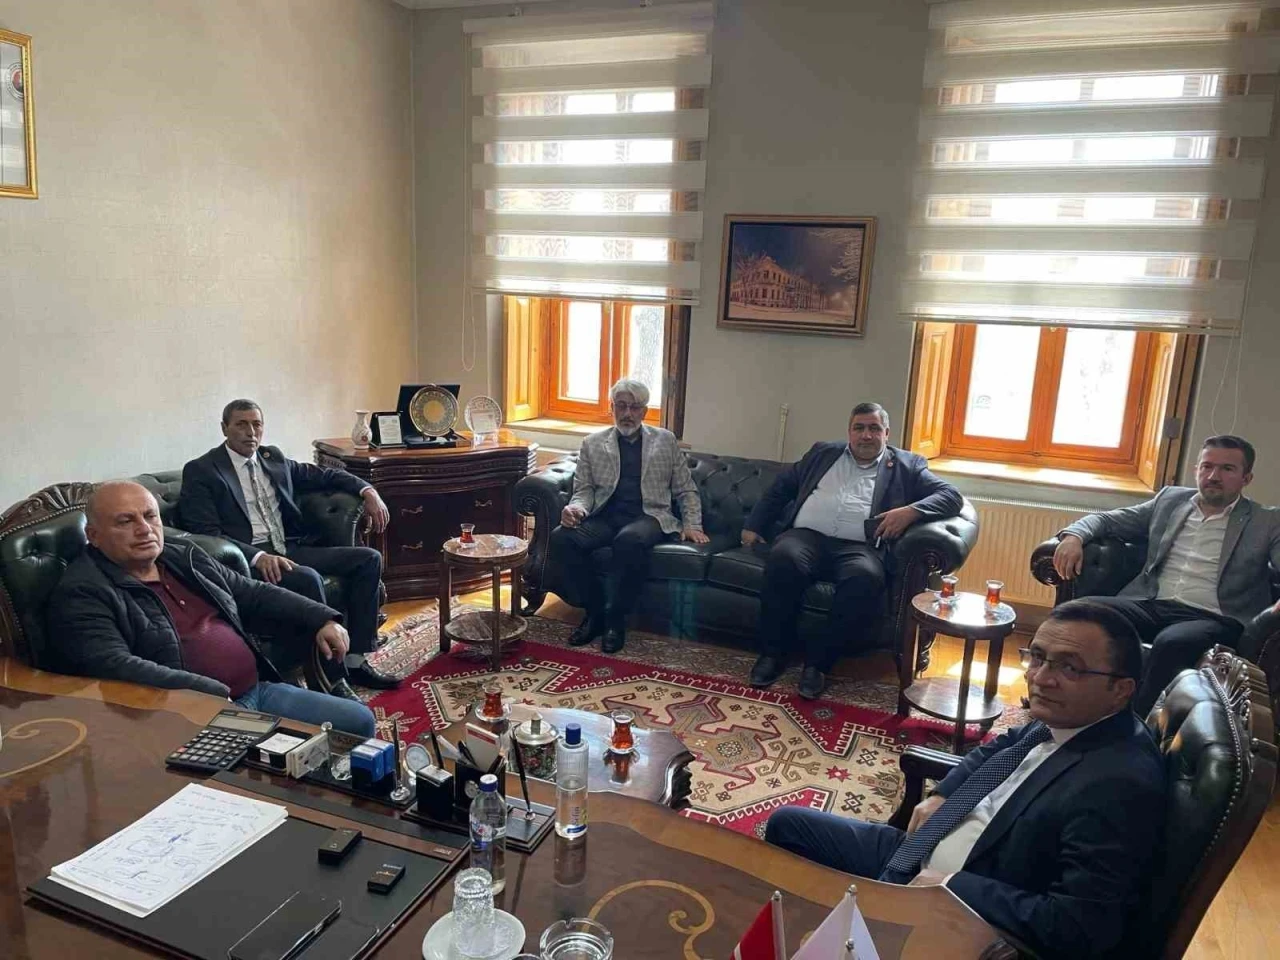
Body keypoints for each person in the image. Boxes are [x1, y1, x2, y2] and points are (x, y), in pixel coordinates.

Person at [765, 600, 1165, 959]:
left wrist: (953, 885)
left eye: (1069, 667)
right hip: (921, 851)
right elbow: (1000, 746)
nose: (1042, 678)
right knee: (788, 825)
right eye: (1038, 657)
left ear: (1120, 690)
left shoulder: (1118, 785)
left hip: (956, 904)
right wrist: (944, 793)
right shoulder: (1067, 720)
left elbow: (1078, 927)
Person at [46, 481, 376, 737]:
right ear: (94, 536)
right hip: (193, 716)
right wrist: (211, 691)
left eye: (150, 516)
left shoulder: (182, 556)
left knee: (359, 721)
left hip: (257, 691)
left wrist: (322, 618)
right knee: (264, 782)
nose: (144, 529)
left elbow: (252, 592)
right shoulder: (83, 592)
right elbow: (116, 665)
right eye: (125, 521)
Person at [744, 402, 962, 698]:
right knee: (783, 559)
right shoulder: (822, 453)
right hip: (806, 538)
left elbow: (951, 496)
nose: (866, 435)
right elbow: (781, 488)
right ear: (849, 431)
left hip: (860, 547)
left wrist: (911, 512)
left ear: (886, 433)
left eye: (874, 428)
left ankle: (819, 664)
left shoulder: (907, 466)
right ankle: (773, 654)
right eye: (859, 428)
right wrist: (754, 525)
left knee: (865, 577)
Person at [1052, 434, 1280, 714]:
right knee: (1076, 613)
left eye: (1227, 469)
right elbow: (1107, 519)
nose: (1213, 476)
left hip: (1214, 616)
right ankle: (1062, 702)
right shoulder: (1170, 500)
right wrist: (1074, 536)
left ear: (1246, 478)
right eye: (1207, 466)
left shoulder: (1266, 520)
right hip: (1151, 602)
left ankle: (1135, 726)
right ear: (1197, 469)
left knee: (1172, 642)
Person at [179, 399, 397, 689]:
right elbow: (205, 533)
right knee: (307, 578)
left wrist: (368, 491)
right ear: (224, 428)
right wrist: (257, 556)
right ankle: (331, 679)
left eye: (256, 424)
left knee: (368, 558)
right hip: (247, 560)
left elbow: (326, 475)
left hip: (290, 548)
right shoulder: (203, 470)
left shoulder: (272, 458)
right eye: (241, 424)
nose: (251, 432)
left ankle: (356, 661)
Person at [550, 378, 707, 654]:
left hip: (649, 516)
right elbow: (584, 489)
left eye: (634, 408)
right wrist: (577, 509)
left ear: (644, 411)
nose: (627, 414)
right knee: (562, 538)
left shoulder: (665, 441)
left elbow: (685, 489)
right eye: (621, 406)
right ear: (612, 408)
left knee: (629, 541)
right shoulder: (592, 443)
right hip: (605, 515)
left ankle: (615, 620)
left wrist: (692, 524)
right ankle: (595, 612)